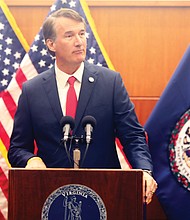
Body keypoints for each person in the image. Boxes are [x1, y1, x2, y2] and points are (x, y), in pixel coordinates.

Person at [8, 8, 157, 204]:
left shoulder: (110, 82)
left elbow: (133, 136)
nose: (79, 41)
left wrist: (144, 171)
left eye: (82, 34)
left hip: (106, 193)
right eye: (69, 35)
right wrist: (30, 160)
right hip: (50, 196)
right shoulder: (32, 90)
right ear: (51, 44)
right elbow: (17, 148)